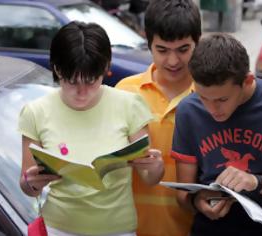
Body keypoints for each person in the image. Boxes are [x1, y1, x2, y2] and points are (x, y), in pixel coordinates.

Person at [18, 21, 164, 236]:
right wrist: (31, 182)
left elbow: (150, 178)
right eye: (71, 81)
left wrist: (156, 167)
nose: (82, 92)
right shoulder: (35, 112)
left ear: (105, 69)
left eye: (91, 81)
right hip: (58, 228)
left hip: (118, 229)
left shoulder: (129, 105)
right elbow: (28, 187)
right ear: (57, 69)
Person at [171, 33, 262, 236]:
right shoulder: (188, 110)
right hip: (211, 228)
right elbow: (183, 195)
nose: (212, 109)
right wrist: (198, 201)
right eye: (203, 98)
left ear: (247, 81)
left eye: (222, 99)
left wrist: (256, 182)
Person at [116, 0, 202, 235]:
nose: (173, 61)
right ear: (148, 42)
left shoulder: (211, 97)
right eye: (162, 50)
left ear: (198, 42)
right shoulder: (125, 91)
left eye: (183, 49)